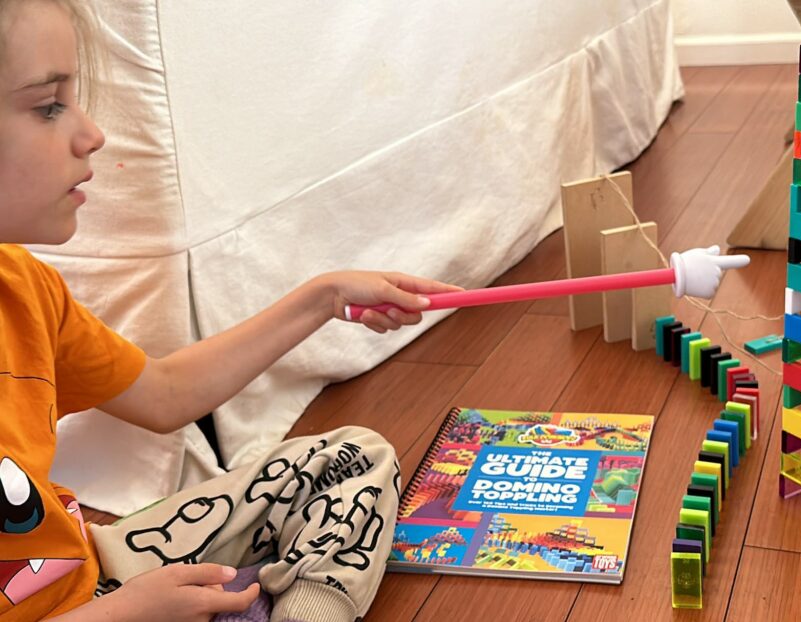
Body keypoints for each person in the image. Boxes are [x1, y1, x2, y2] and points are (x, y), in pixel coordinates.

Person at [0, 0, 463, 619]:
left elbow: (164, 394)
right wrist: (125, 614)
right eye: (47, 106)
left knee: (349, 460)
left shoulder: (25, 287)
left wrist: (324, 297)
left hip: (84, 568)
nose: (92, 134)